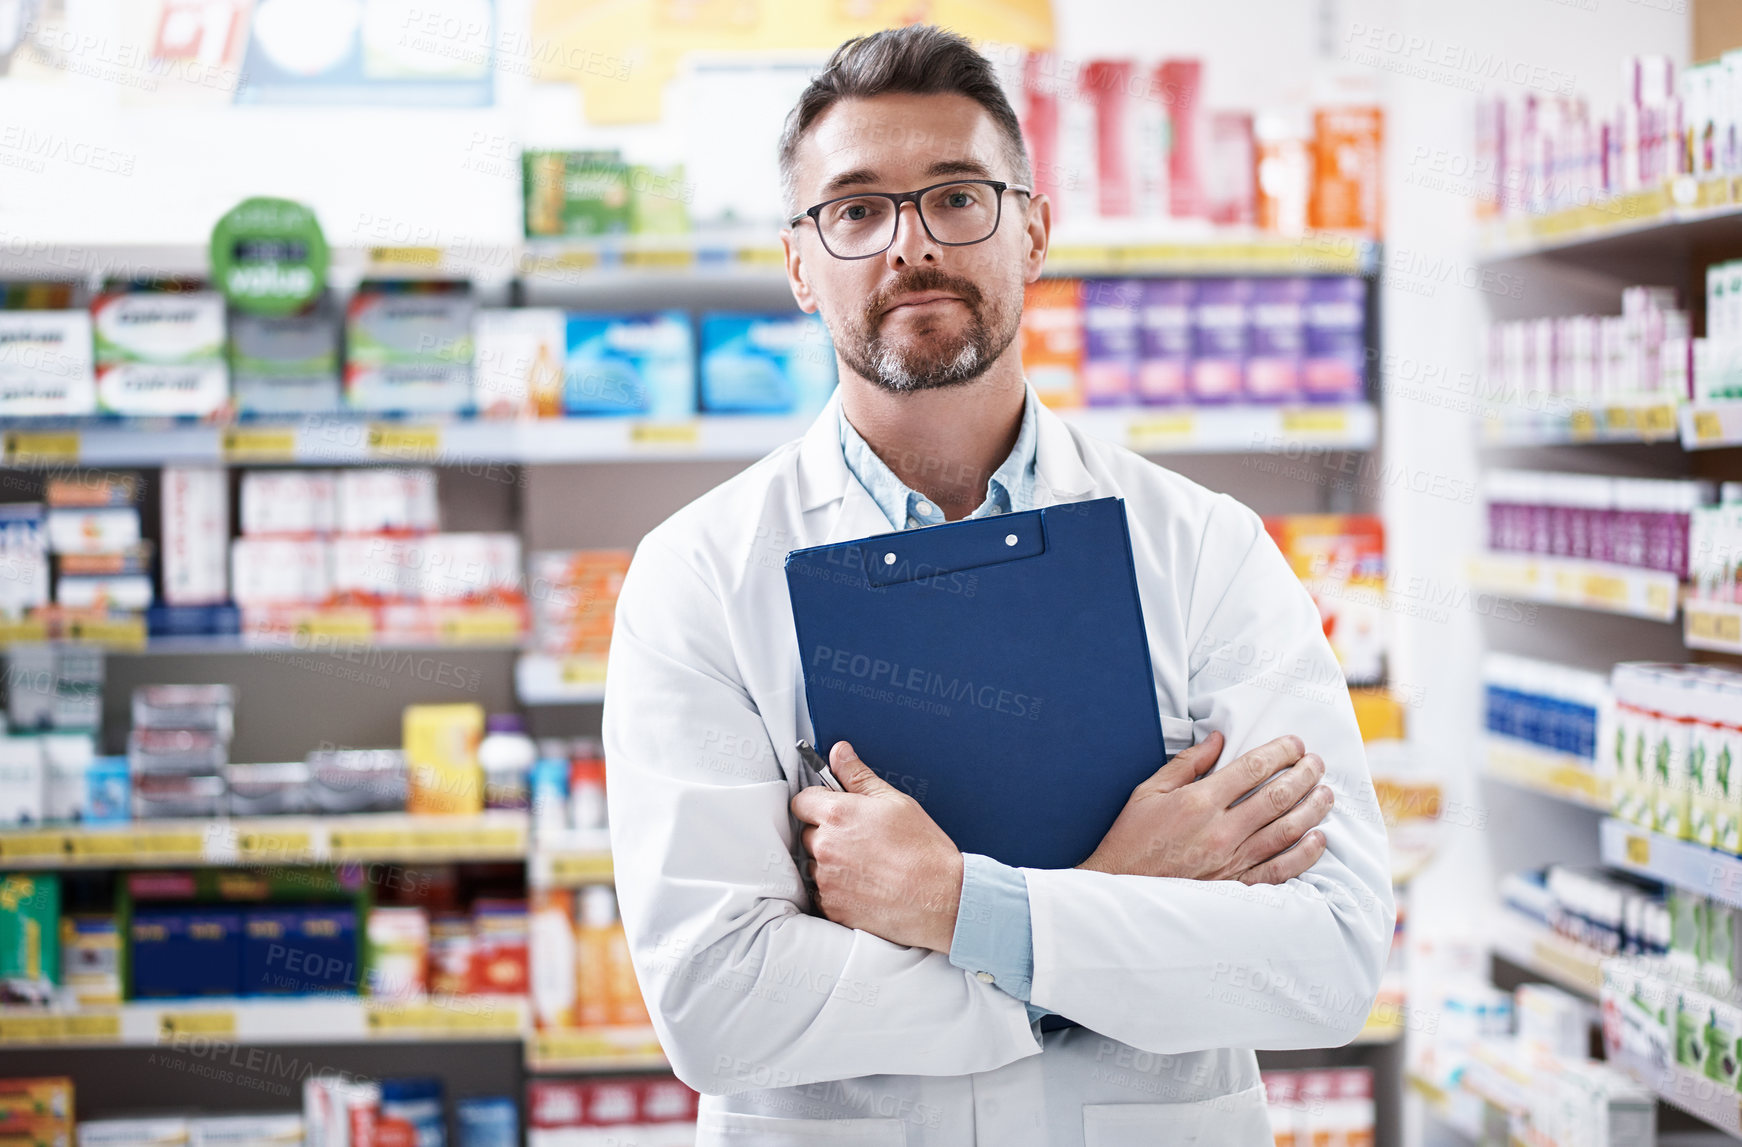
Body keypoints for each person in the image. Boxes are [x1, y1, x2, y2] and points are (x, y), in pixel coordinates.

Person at [602, 24, 1394, 1147]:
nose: (909, 244)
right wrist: (1113, 898)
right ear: (797, 264)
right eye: (857, 209)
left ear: (1030, 232)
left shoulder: (1206, 550)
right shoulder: (698, 576)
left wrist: (952, 905)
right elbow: (716, 1004)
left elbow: (1325, 960)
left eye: (956, 197)